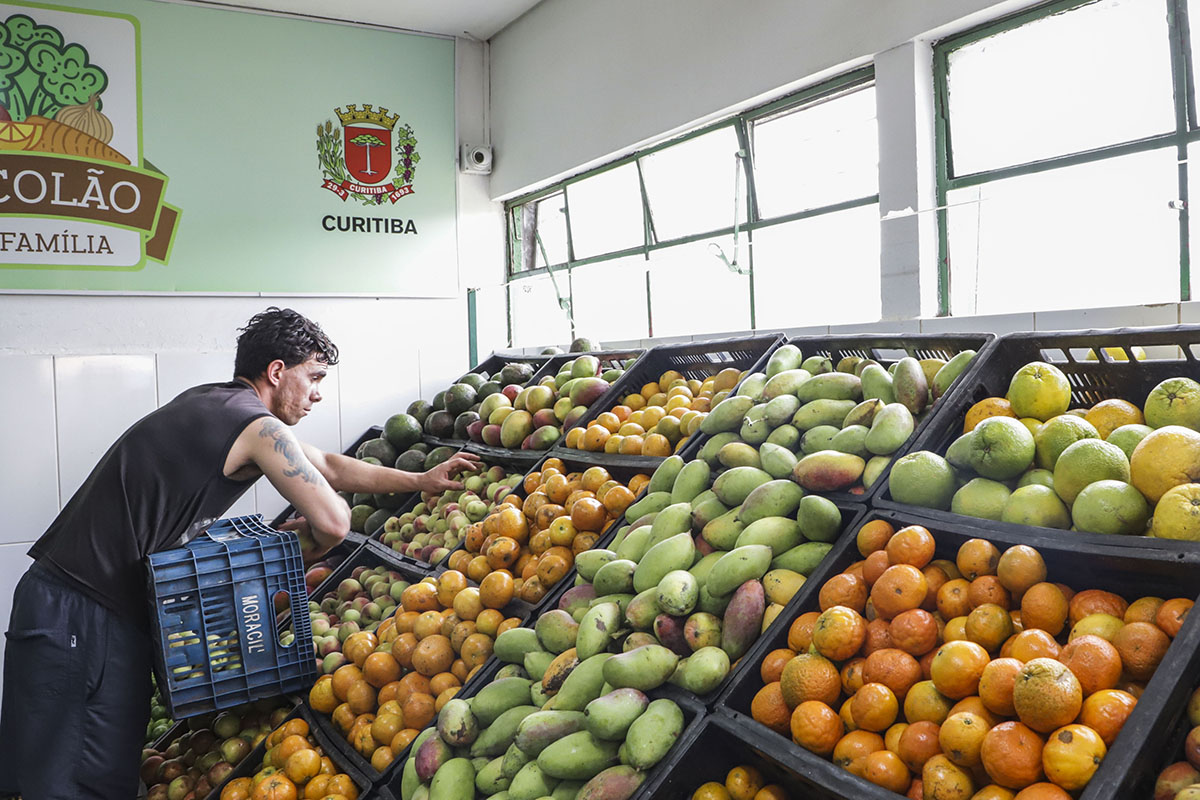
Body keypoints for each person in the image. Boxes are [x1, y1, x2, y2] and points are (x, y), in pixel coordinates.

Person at [0, 307, 479, 800]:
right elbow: (335, 520)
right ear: (276, 372)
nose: (317, 393)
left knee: (104, 775)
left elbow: (330, 465)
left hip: (103, 612)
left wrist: (421, 480)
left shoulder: (220, 405)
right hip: (76, 610)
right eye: (312, 377)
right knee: (57, 781)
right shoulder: (255, 427)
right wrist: (311, 543)